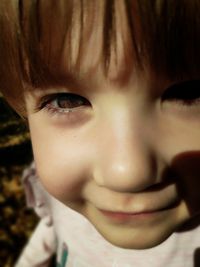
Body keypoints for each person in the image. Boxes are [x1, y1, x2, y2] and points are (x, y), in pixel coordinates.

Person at [1, 0, 200, 266]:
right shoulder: (66, 196)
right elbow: (56, 230)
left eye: (189, 93)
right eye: (66, 101)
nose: (127, 174)